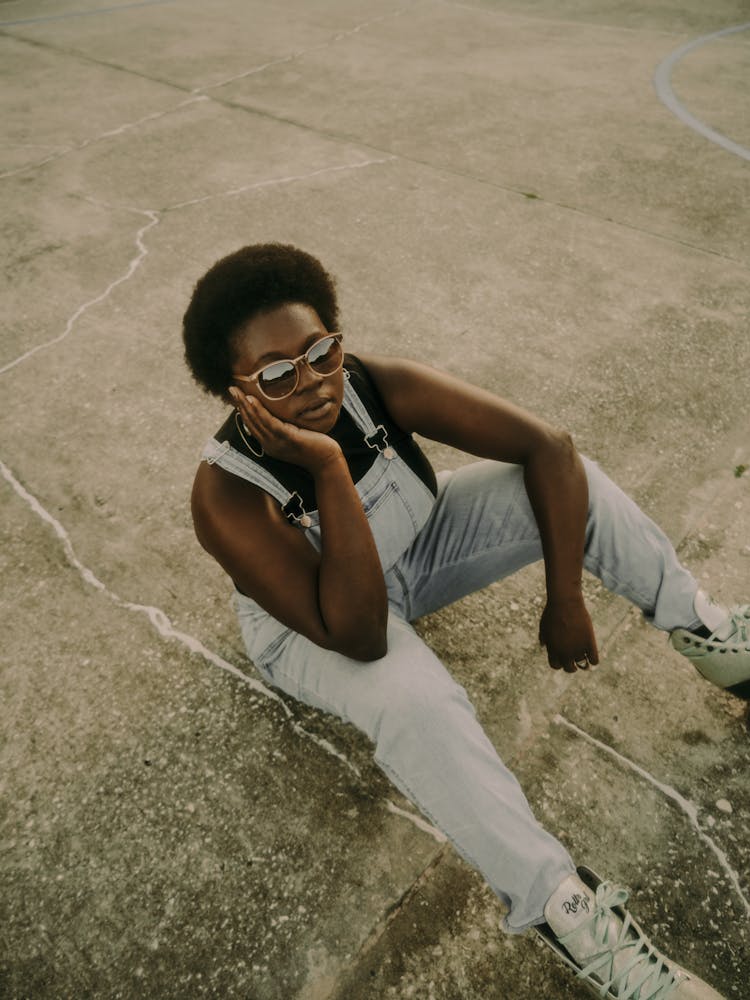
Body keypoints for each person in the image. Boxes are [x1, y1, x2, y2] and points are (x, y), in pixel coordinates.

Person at [183, 243, 748, 999]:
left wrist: (566, 596)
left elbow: (547, 447)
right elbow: (358, 633)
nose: (313, 381)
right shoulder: (226, 496)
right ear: (235, 392)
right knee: (420, 704)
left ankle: (708, 633)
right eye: (278, 374)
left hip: (414, 555)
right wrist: (325, 467)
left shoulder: (372, 385)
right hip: (316, 623)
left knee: (575, 483)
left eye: (321, 351)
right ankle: (565, 910)